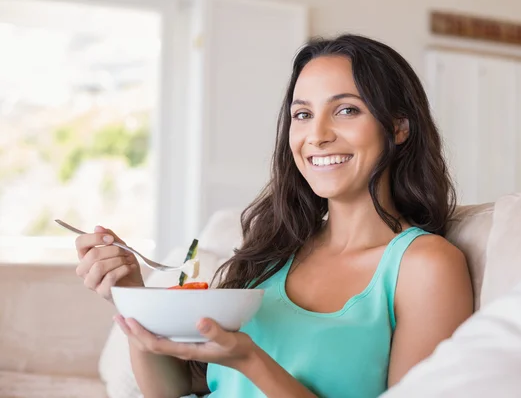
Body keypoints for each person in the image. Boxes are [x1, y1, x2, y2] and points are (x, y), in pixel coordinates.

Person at [74, 34, 473, 398]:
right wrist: (132, 296)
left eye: (347, 110)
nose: (316, 135)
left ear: (399, 127)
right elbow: (173, 390)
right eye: (302, 115)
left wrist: (251, 360)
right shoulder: (277, 245)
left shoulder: (425, 265)